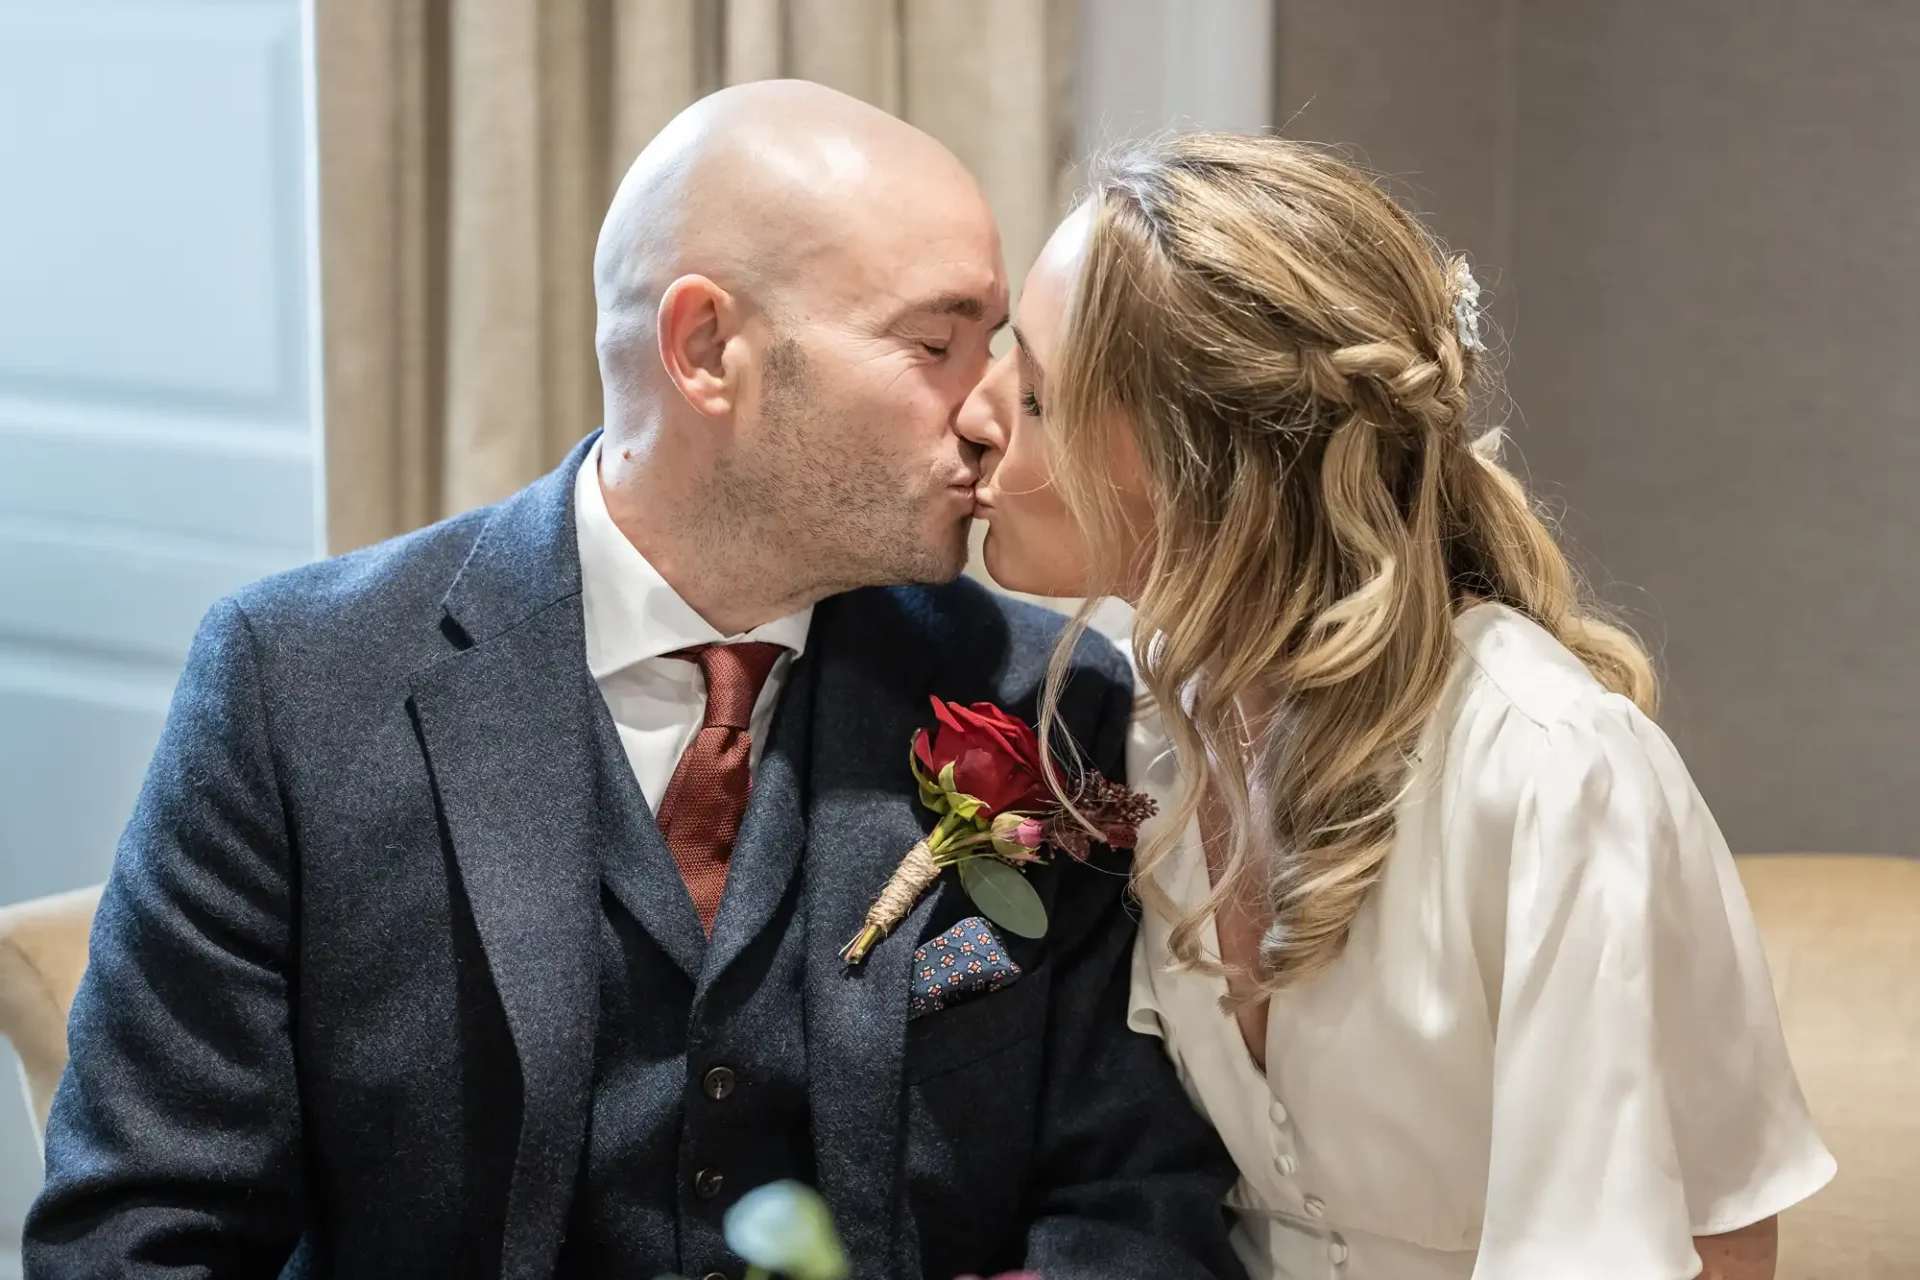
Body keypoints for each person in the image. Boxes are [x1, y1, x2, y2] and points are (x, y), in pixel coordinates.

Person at [27, 83, 1245, 1280]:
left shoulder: (1049, 697)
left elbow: (1136, 1198)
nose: (993, 418)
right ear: (708, 349)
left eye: (996, 351)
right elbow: (136, 1233)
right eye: (935, 343)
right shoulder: (294, 688)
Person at [957, 132, 1835, 1280]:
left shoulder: (1549, 773)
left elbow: (1693, 1243)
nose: (978, 418)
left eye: (1034, 395)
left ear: (1202, 466)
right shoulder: (1136, 725)